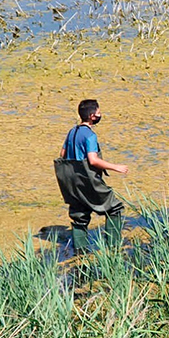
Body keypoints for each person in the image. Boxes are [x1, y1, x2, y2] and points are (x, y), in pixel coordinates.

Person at [54, 99, 128, 254]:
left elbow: (62, 154)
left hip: (69, 179)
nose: (101, 115)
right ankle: (114, 248)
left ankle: (80, 252)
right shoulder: (90, 136)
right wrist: (116, 167)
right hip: (85, 178)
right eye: (99, 112)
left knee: (79, 214)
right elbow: (93, 160)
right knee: (113, 208)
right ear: (93, 116)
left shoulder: (72, 132)